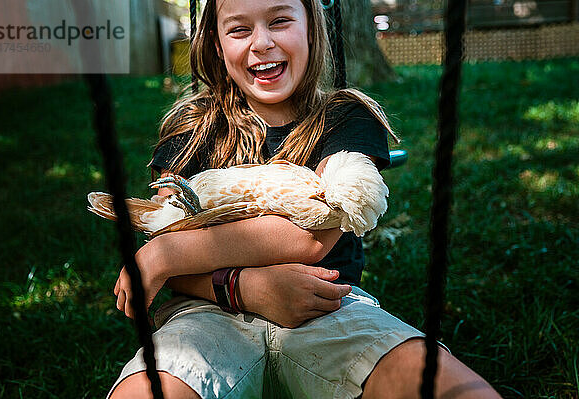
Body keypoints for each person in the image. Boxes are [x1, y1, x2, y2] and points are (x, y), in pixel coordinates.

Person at [108, 0, 502, 398]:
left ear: (313, 29)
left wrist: (169, 253)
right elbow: (160, 246)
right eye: (240, 30)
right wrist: (240, 287)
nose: (261, 43)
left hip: (329, 308)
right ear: (215, 43)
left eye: (279, 21)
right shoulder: (191, 128)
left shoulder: (345, 117)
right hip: (206, 314)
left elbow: (311, 235)